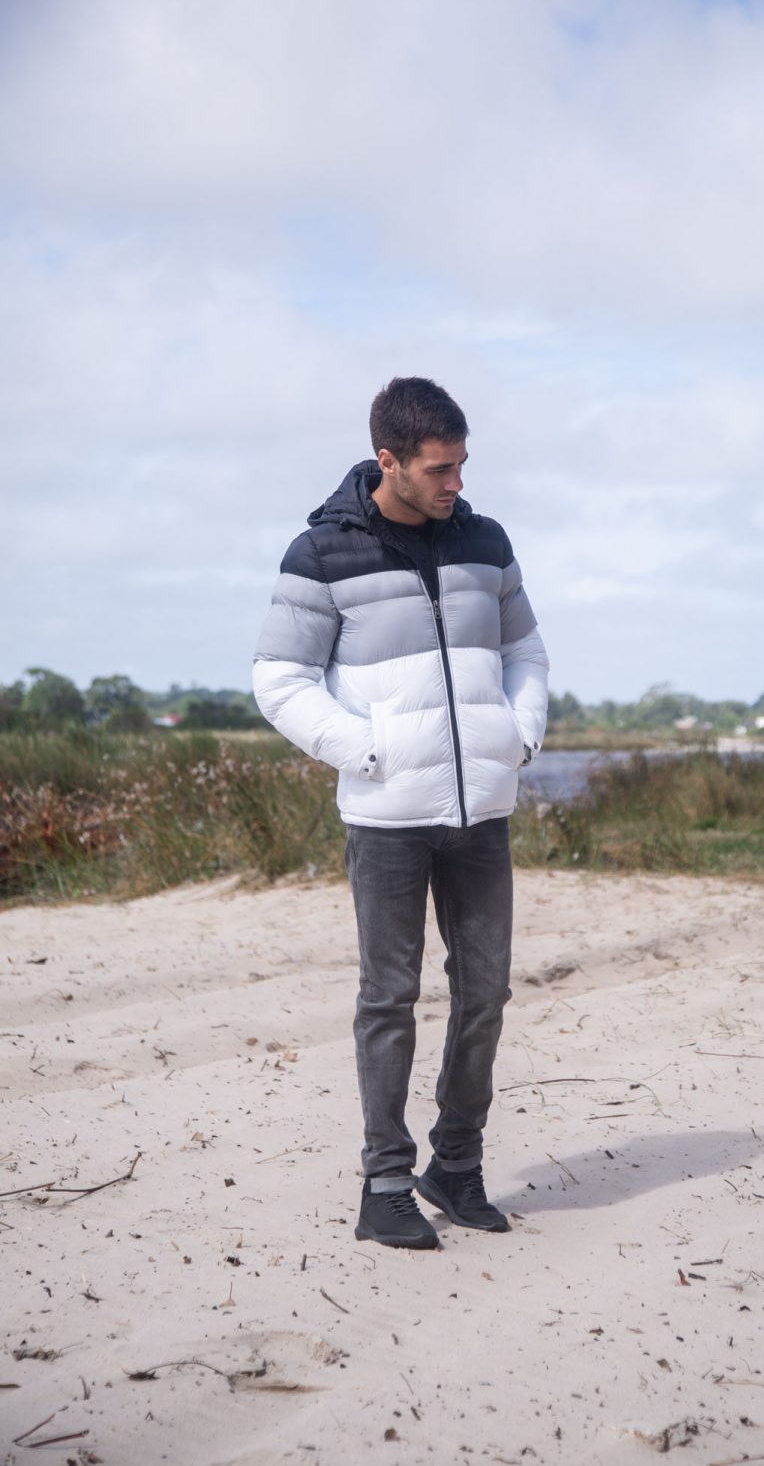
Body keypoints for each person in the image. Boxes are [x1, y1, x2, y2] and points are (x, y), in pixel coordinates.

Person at [252, 377, 548, 1250]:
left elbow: (526, 650)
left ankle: (455, 1166)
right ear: (389, 461)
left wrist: (519, 736)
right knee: (389, 997)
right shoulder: (322, 553)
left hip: (481, 812)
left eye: (462, 465)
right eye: (439, 468)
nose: (456, 482)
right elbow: (279, 679)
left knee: (485, 992)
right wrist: (369, 752)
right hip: (386, 819)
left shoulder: (486, 542)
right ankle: (384, 1183)